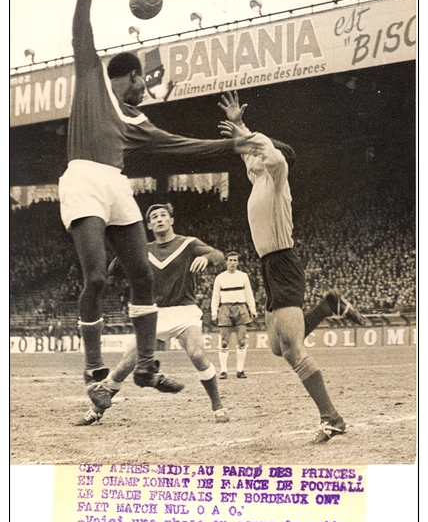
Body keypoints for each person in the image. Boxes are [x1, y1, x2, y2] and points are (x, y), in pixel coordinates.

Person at [59, 0, 261, 405]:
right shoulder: (92, 80)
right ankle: (93, 364)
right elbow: (79, 23)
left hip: (115, 183)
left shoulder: (136, 121)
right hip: (83, 178)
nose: (145, 90)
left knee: (142, 276)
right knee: (96, 279)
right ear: (126, 76)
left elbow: (181, 147)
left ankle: (146, 365)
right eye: (142, 82)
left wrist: (235, 144)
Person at [218, 91, 364, 443]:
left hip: (283, 264)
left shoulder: (278, 177)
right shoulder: (258, 182)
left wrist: (249, 134)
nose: (249, 159)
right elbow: (253, 154)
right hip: (271, 267)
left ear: (271, 158)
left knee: (295, 351)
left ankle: (332, 418)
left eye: (256, 154)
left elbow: (269, 155)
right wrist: (240, 126)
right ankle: (329, 306)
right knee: (276, 347)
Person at [77, 202, 230, 425]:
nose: (159, 219)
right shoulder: (144, 250)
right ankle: (96, 411)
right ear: (149, 225)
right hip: (152, 315)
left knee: (197, 355)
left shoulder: (188, 243)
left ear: (171, 220)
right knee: (125, 366)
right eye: (154, 217)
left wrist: (206, 258)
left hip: (183, 311)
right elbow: (113, 270)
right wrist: (121, 256)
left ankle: (218, 407)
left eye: (163, 215)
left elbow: (219, 255)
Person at [211, 251, 257, 379]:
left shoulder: (243, 276)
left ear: (237, 262)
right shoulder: (220, 278)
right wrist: (214, 312)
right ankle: (224, 371)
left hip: (241, 308)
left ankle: (240, 370)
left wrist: (252, 309)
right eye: (230, 260)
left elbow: (248, 293)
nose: (232, 263)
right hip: (225, 308)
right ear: (226, 262)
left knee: (242, 341)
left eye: (235, 260)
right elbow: (215, 297)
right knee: (224, 342)